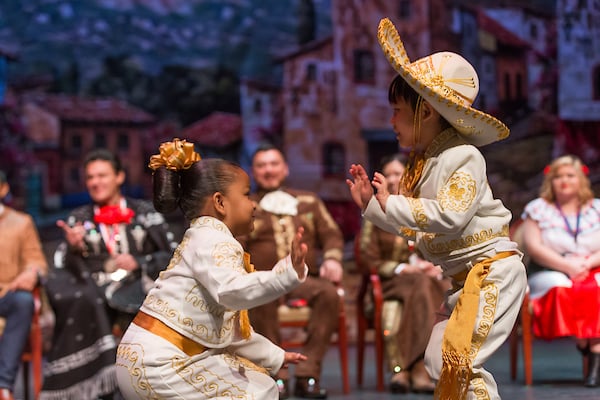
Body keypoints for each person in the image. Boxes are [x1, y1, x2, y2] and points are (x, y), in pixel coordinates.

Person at [346, 18, 527, 400]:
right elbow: (421, 228)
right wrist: (373, 207)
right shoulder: (426, 162)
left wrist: (391, 202)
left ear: (425, 112)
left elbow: (450, 216)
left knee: (456, 357)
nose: (391, 120)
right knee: (439, 360)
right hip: (465, 281)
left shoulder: (463, 156)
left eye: (397, 110)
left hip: (492, 273)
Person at [115, 138, 309, 399]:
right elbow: (232, 291)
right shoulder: (214, 239)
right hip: (160, 364)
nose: (253, 204)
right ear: (220, 202)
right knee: (258, 392)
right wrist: (285, 274)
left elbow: (230, 330)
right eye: (246, 194)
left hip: (147, 357)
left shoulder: (203, 236)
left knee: (258, 383)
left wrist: (275, 355)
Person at [41, 149, 176, 400]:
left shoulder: (144, 212)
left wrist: (138, 262)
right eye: (90, 177)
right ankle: (100, 389)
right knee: (85, 301)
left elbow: (173, 254)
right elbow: (62, 266)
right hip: (96, 295)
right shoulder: (78, 218)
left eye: (102, 175)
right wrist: (73, 248)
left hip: (141, 291)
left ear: (120, 177)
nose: (95, 182)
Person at [237, 143, 344, 399]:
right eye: (262, 165)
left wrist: (333, 259)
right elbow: (236, 244)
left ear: (284, 169)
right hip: (265, 280)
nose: (269, 170)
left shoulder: (308, 200)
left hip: (303, 278)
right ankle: (277, 376)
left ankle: (308, 374)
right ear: (254, 171)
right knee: (259, 297)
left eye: (274, 164)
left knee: (330, 294)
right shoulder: (245, 206)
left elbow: (332, 235)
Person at [357, 154, 450, 394]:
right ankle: (419, 368)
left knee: (429, 283)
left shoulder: (423, 207)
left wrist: (436, 265)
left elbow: (443, 245)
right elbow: (366, 255)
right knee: (422, 282)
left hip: (424, 280)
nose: (394, 178)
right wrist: (400, 268)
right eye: (388, 174)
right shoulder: (376, 211)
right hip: (392, 281)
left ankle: (405, 369)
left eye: (399, 173)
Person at [521, 154, 600, 387]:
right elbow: (534, 248)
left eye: (569, 175)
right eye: (558, 176)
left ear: (581, 181)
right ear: (550, 181)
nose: (564, 181)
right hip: (551, 269)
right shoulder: (537, 209)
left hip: (592, 266)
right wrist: (568, 266)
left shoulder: (597, 208)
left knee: (597, 286)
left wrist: (589, 262)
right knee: (560, 285)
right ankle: (588, 344)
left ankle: (592, 346)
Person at [0, 170, 48, 400]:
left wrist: (31, 273)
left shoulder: (21, 223)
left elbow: (36, 261)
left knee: (24, 301)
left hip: (7, 294)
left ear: (3, 189)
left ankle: (3, 385)